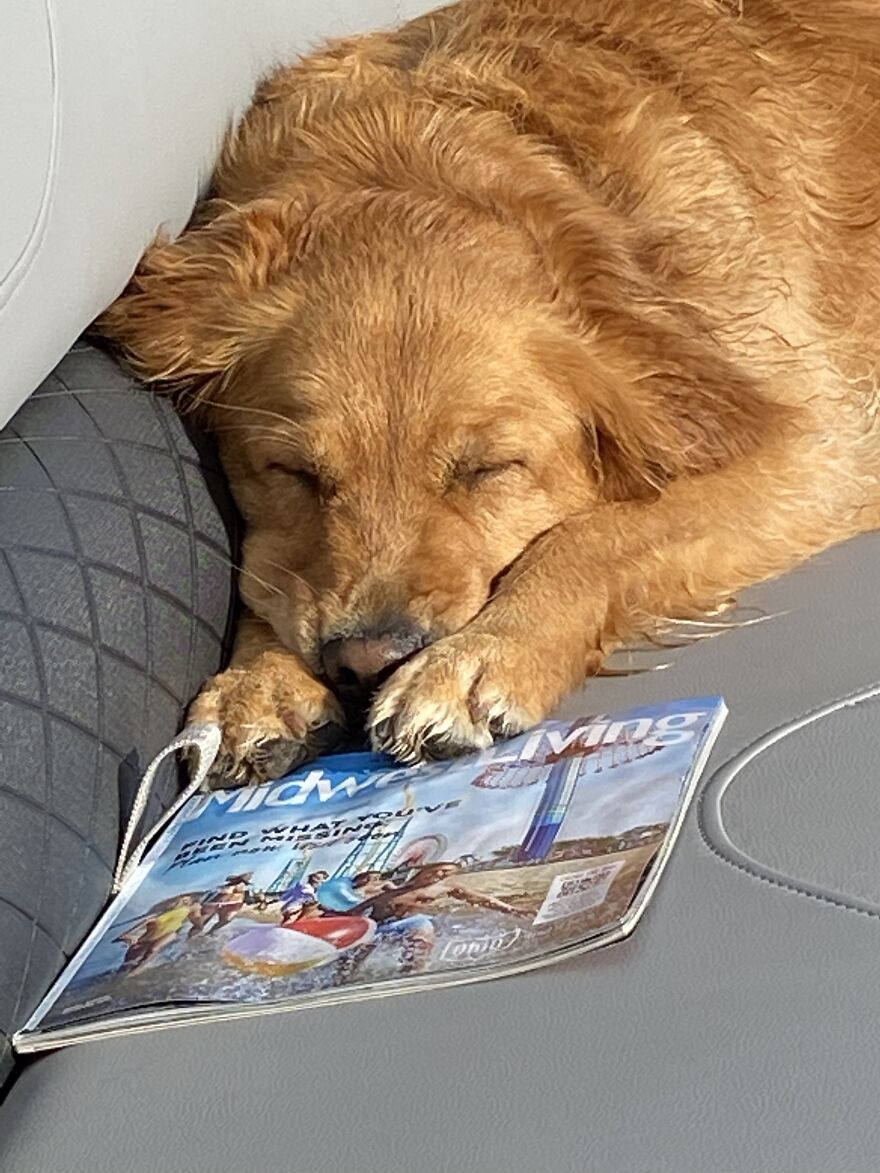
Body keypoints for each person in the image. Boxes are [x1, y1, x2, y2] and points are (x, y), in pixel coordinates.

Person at [344, 862, 530, 975]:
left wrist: (511, 909)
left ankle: (414, 970)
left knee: (422, 924)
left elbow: (481, 899)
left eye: (447, 873)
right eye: (439, 870)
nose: (440, 875)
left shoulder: (443, 889)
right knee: (350, 961)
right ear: (425, 870)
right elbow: (362, 907)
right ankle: (342, 979)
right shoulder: (394, 888)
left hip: (409, 923)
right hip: (377, 926)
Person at [115, 894, 201, 971]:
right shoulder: (162, 914)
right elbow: (146, 921)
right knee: (134, 955)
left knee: (153, 949)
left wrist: (197, 928)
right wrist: (130, 933)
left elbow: (196, 919)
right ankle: (127, 968)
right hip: (152, 934)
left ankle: (138, 969)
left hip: (171, 932)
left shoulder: (191, 907)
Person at [187, 873, 254, 937]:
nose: (241, 884)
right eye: (240, 882)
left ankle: (210, 933)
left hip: (226, 905)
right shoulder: (226, 888)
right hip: (213, 904)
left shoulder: (242, 891)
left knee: (225, 920)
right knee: (201, 923)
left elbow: (247, 900)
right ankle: (192, 937)